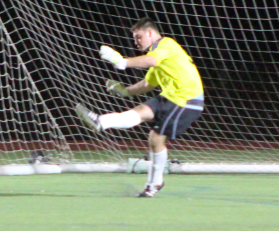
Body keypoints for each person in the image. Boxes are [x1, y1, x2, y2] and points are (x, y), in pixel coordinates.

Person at [76, 18, 204, 197]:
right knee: (142, 116)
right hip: (171, 97)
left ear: (150, 33)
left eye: (139, 37)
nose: (136, 42)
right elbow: (147, 84)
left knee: (156, 137)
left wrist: (123, 62)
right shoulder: (158, 55)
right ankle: (101, 121)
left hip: (187, 100)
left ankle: (154, 183)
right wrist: (124, 91)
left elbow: (151, 60)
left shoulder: (166, 44)